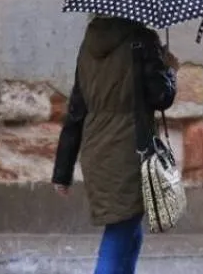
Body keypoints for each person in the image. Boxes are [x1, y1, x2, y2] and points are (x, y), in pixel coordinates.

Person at [52, 16, 178, 274]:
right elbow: (161, 96)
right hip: (130, 148)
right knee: (120, 231)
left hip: (96, 149)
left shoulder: (88, 45)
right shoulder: (142, 40)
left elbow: (77, 109)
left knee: (130, 230)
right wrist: (169, 70)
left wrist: (62, 172)